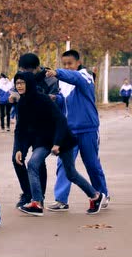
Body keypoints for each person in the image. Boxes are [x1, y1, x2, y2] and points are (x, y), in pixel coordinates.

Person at [13, 71, 105, 216]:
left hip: (62, 139)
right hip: (43, 142)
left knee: (71, 173)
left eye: (22, 83)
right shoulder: (22, 104)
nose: (19, 86)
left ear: (29, 84)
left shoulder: (43, 100)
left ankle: (96, 196)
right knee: (32, 164)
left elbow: (61, 121)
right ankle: (36, 203)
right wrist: (19, 149)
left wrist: (57, 143)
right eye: (17, 83)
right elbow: (20, 129)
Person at [46, 50, 109, 211]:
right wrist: (55, 99)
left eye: (70, 64)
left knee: (92, 163)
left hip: (88, 128)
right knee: (64, 165)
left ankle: (102, 194)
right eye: (64, 64)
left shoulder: (85, 76)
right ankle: (61, 199)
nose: (68, 66)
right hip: (69, 131)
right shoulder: (63, 83)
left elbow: (75, 78)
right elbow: (65, 103)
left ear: (77, 63)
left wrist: (58, 72)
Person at [11, 53, 60, 207]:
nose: (25, 74)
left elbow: (55, 100)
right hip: (25, 128)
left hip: (42, 130)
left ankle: (39, 195)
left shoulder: (50, 79)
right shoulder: (21, 79)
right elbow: (15, 93)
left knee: (38, 163)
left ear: (37, 68)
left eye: (28, 71)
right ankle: (27, 193)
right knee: (16, 158)